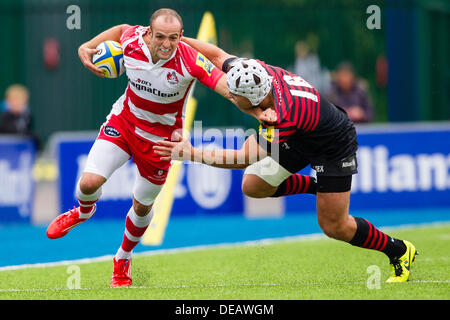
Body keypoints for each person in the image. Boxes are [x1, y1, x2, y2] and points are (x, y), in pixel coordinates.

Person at [154, 37, 418, 283]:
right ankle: (317, 187)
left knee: (334, 226)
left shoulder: (281, 119)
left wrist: (191, 154)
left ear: (254, 99)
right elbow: (217, 54)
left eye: (235, 97)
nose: (231, 97)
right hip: (302, 135)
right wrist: (179, 39)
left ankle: (398, 249)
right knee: (253, 186)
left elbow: (242, 158)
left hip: (333, 144)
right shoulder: (253, 72)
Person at [45, 9, 269, 288]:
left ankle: (123, 259)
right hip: (124, 123)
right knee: (88, 183)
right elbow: (120, 27)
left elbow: (226, 88)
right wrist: (87, 46)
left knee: (141, 206)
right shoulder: (132, 40)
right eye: (160, 36)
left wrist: (258, 112)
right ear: (148, 33)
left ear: (181, 37)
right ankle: (83, 211)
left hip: (162, 142)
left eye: (173, 38)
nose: (166, 43)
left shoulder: (190, 60)